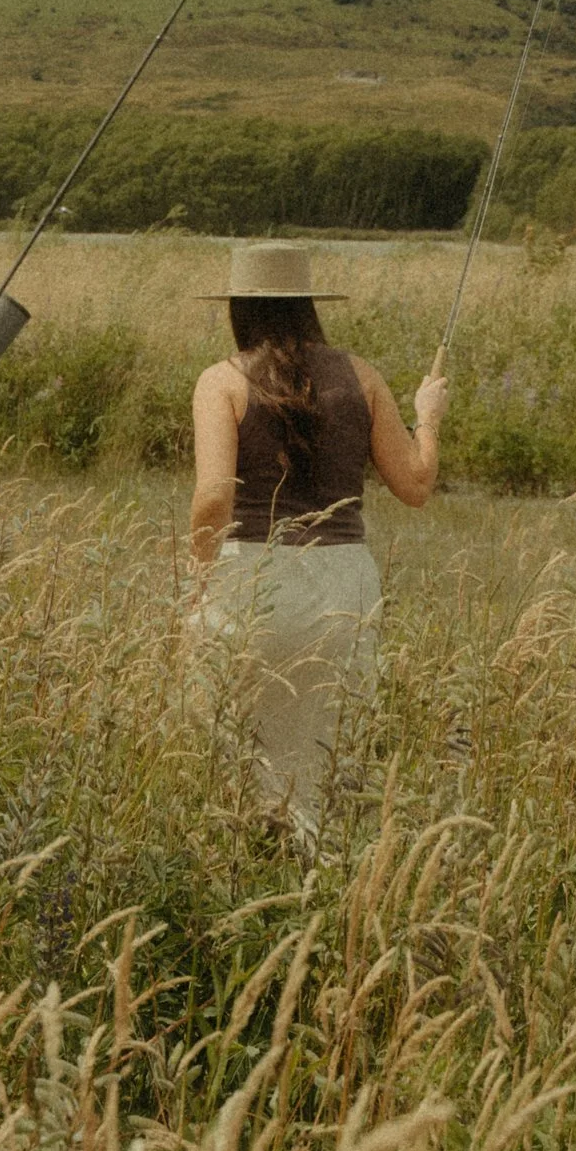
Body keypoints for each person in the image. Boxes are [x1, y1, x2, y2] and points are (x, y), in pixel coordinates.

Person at [187, 238, 447, 837]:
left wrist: (199, 580)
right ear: (307, 303)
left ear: (238, 308)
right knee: (328, 755)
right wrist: (428, 414)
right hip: (344, 586)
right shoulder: (363, 377)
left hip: (250, 579)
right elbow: (415, 485)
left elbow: (212, 498)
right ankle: (323, 881)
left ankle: (245, 869)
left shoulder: (220, 383)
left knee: (231, 749)